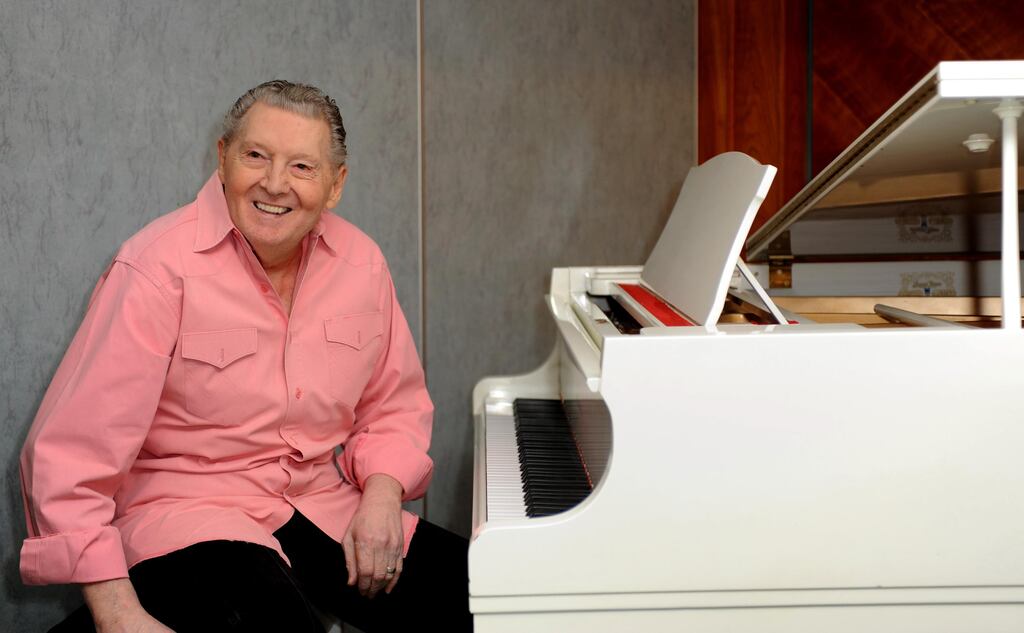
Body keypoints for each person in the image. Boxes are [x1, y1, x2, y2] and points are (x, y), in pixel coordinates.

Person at [20, 80, 473, 632]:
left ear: (335, 185)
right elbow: (72, 456)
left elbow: (392, 407)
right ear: (223, 158)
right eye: (256, 156)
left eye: (302, 167)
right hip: (187, 515)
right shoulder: (156, 268)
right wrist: (116, 613)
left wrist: (382, 494)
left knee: (489, 599)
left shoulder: (361, 263)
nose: (275, 183)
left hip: (318, 505)